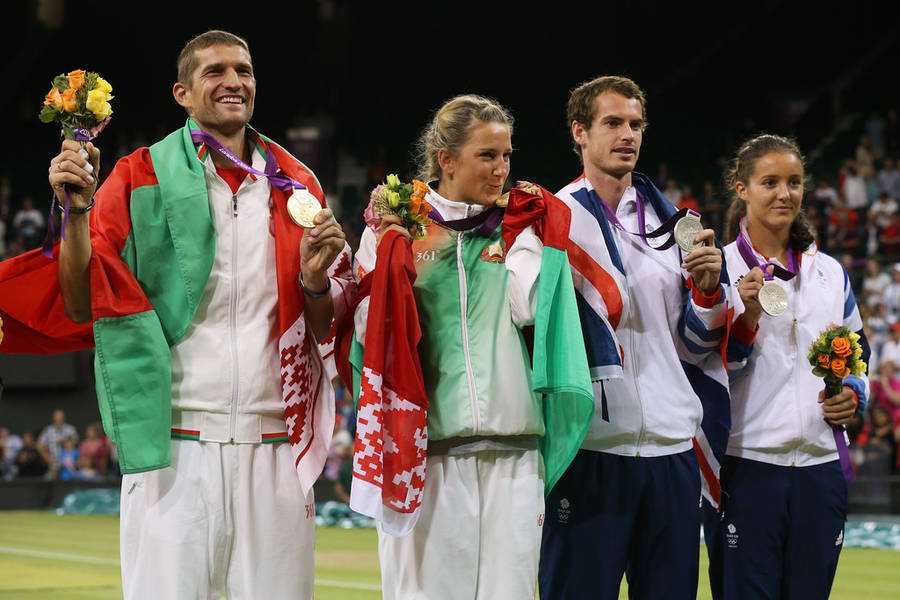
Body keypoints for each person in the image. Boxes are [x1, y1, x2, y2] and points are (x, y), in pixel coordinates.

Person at [46, 30, 352, 599]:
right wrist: (76, 214)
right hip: (175, 451)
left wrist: (314, 283)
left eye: (244, 70)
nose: (234, 81)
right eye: (215, 72)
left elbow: (324, 325)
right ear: (182, 93)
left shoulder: (296, 183)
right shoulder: (140, 175)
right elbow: (80, 300)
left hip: (275, 449)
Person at [351, 94, 591, 600]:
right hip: (428, 458)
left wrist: (527, 236)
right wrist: (390, 257)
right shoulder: (397, 231)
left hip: (514, 456)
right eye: (487, 155)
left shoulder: (512, 226)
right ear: (447, 160)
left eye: (506, 155)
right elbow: (368, 330)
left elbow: (530, 311)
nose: (502, 168)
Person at [536, 75, 729, 600]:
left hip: (670, 447)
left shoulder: (677, 225)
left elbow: (696, 345)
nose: (628, 134)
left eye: (636, 124)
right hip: (592, 449)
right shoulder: (555, 220)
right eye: (613, 123)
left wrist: (710, 293)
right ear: (579, 131)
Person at [718, 133, 869, 599]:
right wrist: (744, 320)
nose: (785, 193)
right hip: (748, 464)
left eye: (794, 182)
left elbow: (858, 357)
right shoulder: (715, 272)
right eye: (770, 182)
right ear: (741, 188)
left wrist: (852, 396)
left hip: (821, 469)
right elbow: (703, 371)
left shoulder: (830, 273)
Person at [36, 408, 78, 477]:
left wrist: (65, 441)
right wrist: (47, 457)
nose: (58, 421)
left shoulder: (70, 429)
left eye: (60, 419)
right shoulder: (48, 430)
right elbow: (39, 445)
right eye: (57, 419)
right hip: (54, 463)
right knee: (53, 481)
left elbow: (76, 443)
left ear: (64, 419)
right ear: (53, 419)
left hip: (69, 464)